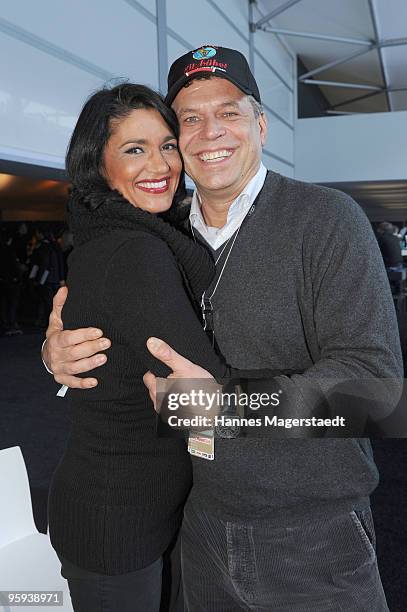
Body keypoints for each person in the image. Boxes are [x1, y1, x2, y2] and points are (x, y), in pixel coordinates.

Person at [43, 47, 402, 611]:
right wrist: (58, 357)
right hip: (196, 531)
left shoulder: (326, 220)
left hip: (308, 536)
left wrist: (229, 409)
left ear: (260, 124)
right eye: (189, 118)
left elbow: (376, 392)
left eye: (229, 112)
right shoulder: (164, 230)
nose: (211, 131)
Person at [46, 82, 276, 612]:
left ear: (259, 126)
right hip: (115, 522)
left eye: (166, 145)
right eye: (134, 149)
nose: (161, 164)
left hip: (139, 509)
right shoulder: (135, 251)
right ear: (97, 166)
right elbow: (209, 402)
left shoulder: (127, 235)